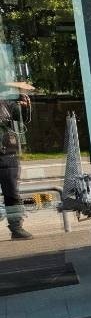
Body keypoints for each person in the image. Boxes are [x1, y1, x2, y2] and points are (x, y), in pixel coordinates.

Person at [0, 88, 32, 240]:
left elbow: (22, 120)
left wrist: (25, 107)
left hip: (7, 154)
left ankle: (16, 227)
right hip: (6, 154)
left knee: (12, 193)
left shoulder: (6, 103)